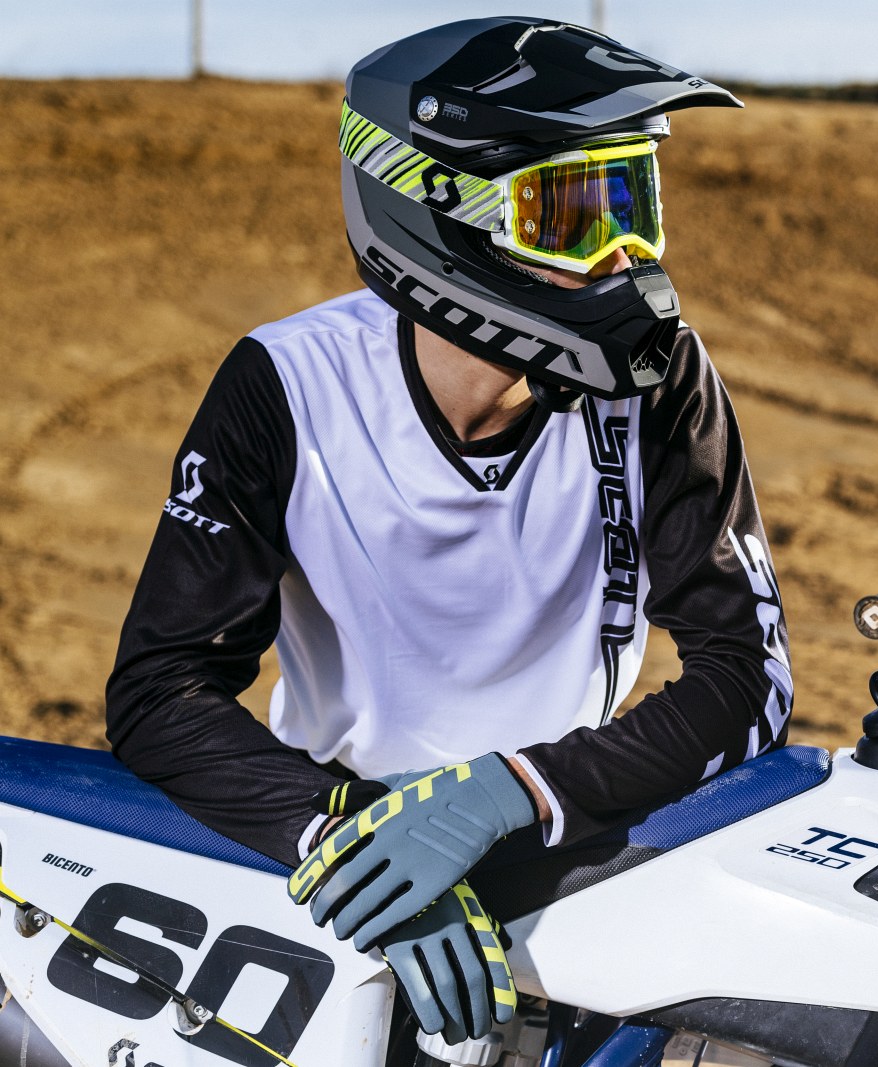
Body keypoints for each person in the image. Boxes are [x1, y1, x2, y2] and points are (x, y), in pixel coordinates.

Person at [105, 17, 791, 1048]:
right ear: (440, 213)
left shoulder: (659, 384)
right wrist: (348, 839)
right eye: (572, 216)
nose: (624, 257)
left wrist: (505, 792)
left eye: (632, 207)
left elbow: (749, 674)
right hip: (342, 865)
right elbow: (160, 690)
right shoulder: (289, 384)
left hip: (565, 840)